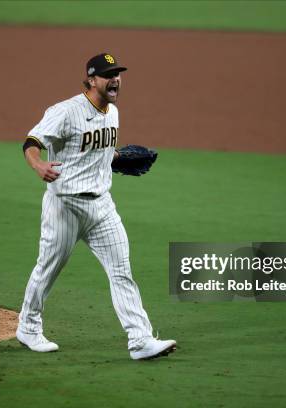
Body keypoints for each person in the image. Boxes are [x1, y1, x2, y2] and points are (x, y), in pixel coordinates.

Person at [16, 53, 176, 360]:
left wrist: (115, 158)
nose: (115, 79)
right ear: (92, 79)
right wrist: (37, 165)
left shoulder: (112, 112)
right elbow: (32, 141)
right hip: (65, 205)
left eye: (118, 74)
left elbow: (97, 151)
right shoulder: (65, 111)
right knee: (48, 268)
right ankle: (28, 326)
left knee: (121, 271)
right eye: (108, 74)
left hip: (102, 208)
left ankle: (140, 340)